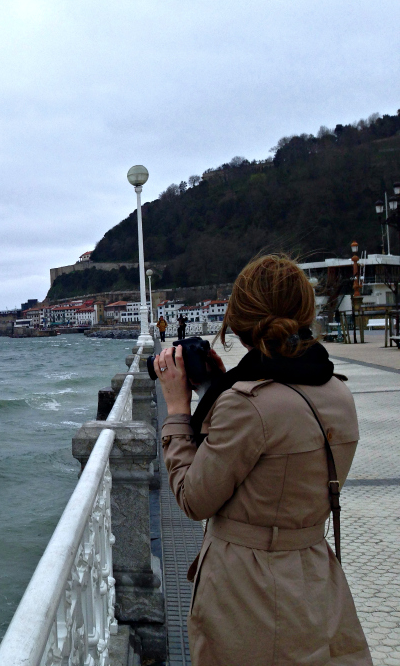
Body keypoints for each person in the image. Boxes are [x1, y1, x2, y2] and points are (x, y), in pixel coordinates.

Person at [155, 254, 371, 665]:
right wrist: (217, 390)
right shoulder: (338, 392)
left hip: (247, 591)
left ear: (238, 322)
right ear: (305, 311)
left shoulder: (245, 405)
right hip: (313, 576)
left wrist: (178, 411)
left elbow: (192, 498)